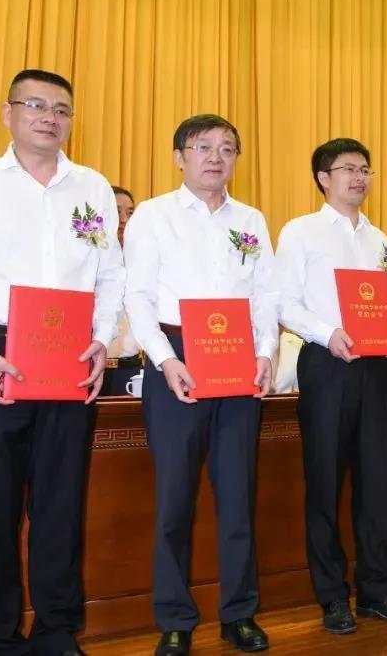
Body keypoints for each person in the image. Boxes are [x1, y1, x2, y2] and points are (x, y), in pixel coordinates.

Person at [0, 69, 124, 656]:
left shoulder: (92, 187)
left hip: (69, 359)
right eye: (35, 104)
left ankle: (57, 632)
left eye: (61, 109)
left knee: (61, 506)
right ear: (7, 112)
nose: (49, 117)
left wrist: (101, 339)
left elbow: (111, 275)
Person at [124, 114, 277, 656]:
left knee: (237, 496)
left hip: (237, 362)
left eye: (227, 148)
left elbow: (266, 295)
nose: (216, 157)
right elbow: (137, 296)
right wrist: (165, 360)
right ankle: (174, 618)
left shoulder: (251, 219)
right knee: (174, 500)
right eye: (203, 146)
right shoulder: (153, 215)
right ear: (179, 157)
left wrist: (266, 353)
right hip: (178, 360)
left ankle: (239, 613)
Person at [275, 138, 387, 634]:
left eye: (365, 169)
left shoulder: (380, 240)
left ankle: (377, 591)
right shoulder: (301, 232)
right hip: (327, 363)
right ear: (323, 178)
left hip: (376, 369)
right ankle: (332, 596)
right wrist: (326, 333)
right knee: (325, 483)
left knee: (377, 483)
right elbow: (285, 302)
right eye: (348, 169)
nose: (359, 178)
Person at [103, 185, 142, 396]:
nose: (124, 219)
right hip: (94, 366)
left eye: (130, 212)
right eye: (117, 211)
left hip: (131, 367)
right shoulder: (89, 259)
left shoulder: (142, 259)